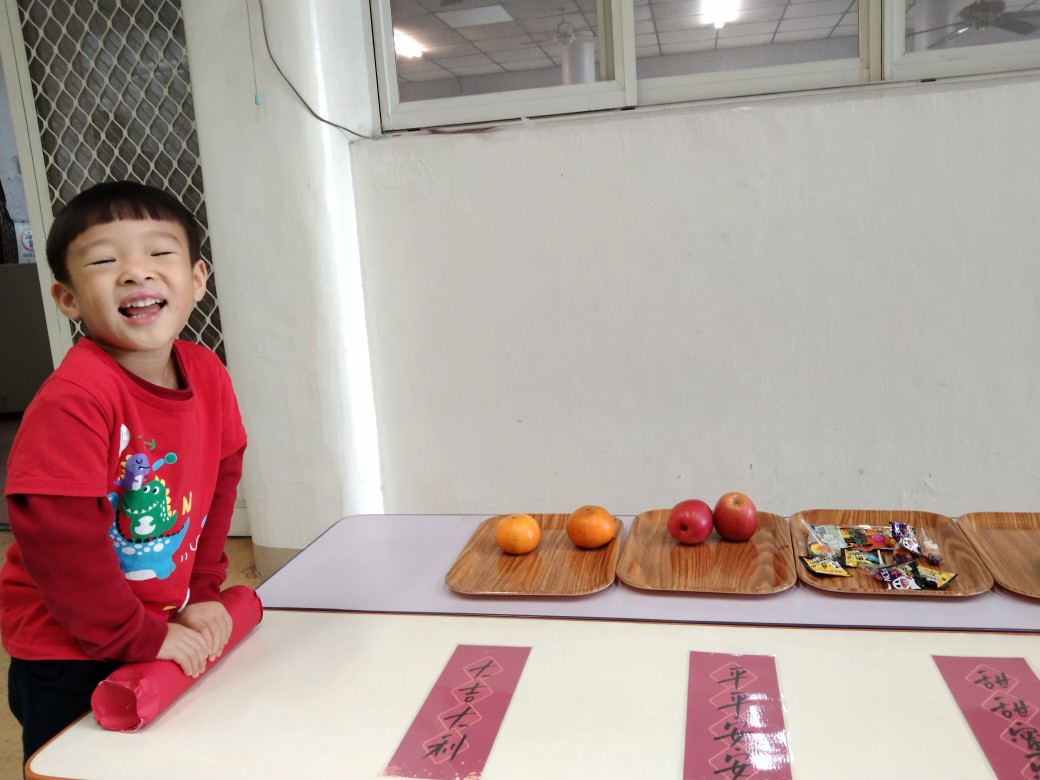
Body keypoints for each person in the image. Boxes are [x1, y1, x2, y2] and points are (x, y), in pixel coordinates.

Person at [0, 181, 247, 764]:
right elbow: (60, 544)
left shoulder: (207, 373)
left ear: (197, 279)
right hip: (67, 648)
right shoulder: (74, 401)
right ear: (67, 298)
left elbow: (220, 482)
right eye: (104, 261)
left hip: (155, 621)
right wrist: (139, 636)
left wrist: (202, 590)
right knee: (78, 765)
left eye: (159, 252)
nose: (136, 272)